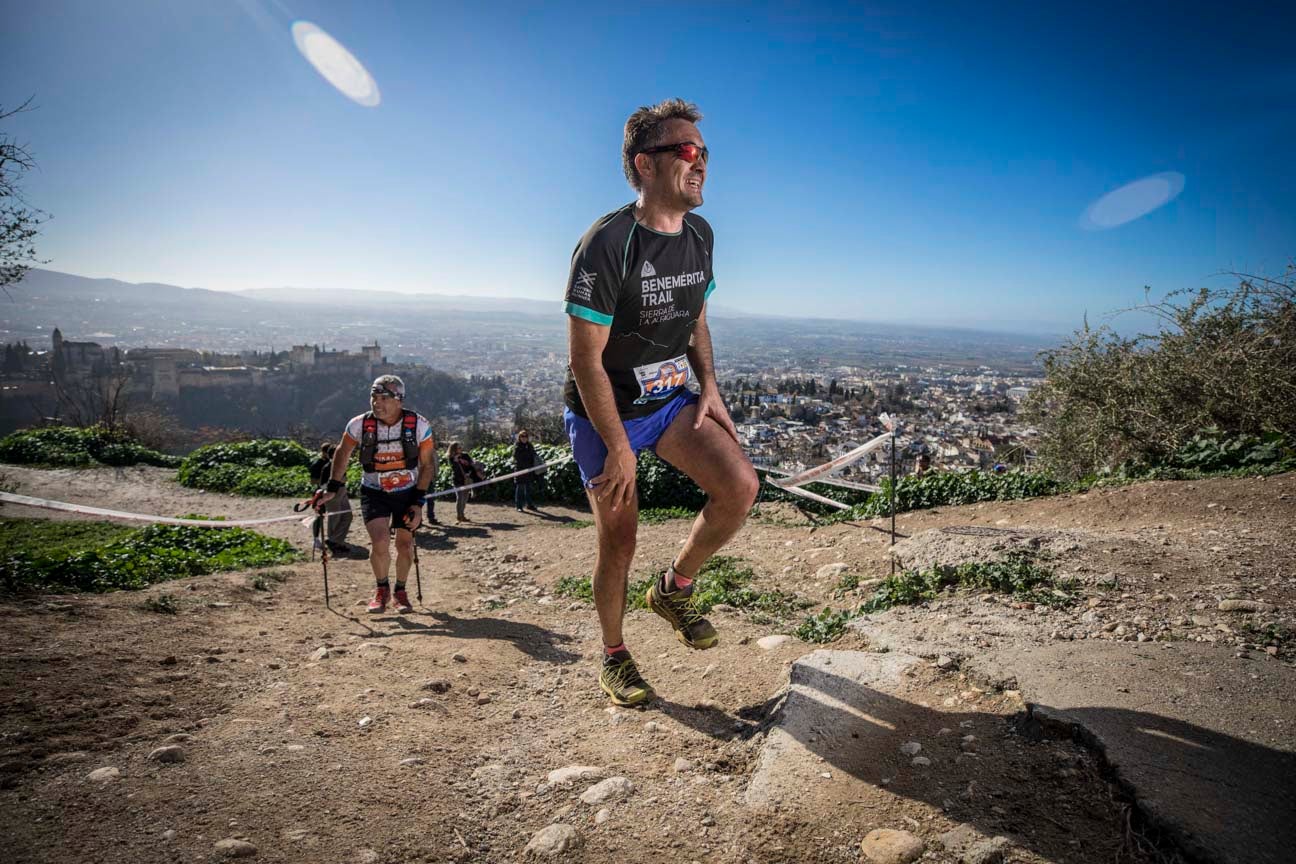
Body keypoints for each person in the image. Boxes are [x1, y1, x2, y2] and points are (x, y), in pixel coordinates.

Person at [562, 98, 759, 706]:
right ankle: (614, 655)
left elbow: (696, 316)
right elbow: (585, 359)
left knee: (740, 488)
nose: (701, 164)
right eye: (688, 151)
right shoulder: (607, 243)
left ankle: (673, 588)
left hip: (671, 403)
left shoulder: (700, 234)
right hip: (607, 413)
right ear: (646, 165)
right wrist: (618, 448)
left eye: (705, 152)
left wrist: (713, 390)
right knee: (619, 540)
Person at [315, 375, 436, 614]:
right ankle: (382, 589)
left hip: (408, 492)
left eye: (383, 398)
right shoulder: (359, 424)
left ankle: (400, 591)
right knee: (379, 541)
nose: (376, 403)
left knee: (404, 544)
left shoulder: (419, 425)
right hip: (374, 490)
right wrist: (332, 487)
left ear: (399, 400)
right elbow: (343, 452)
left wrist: (419, 502)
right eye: (373, 397)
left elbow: (427, 465)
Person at [309, 442, 353, 555]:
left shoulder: (341, 465)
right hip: (333, 494)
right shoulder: (328, 467)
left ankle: (337, 540)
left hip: (342, 491)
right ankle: (334, 542)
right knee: (335, 518)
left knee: (347, 516)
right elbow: (322, 484)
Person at [447, 441, 482, 523]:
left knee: (465, 498)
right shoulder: (451, 458)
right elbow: (454, 470)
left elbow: (471, 465)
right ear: (454, 449)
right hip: (458, 480)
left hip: (467, 480)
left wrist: (470, 472)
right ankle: (459, 516)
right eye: (458, 448)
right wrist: (455, 462)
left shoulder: (465, 455)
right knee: (460, 498)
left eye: (460, 447)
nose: (460, 449)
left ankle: (462, 515)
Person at [513, 428, 539, 511]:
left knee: (529, 488)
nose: (524, 438)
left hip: (530, 470)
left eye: (525, 436)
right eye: (522, 436)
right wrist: (525, 466)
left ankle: (529, 505)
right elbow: (517, 458)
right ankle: (519, 506)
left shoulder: (530, 446)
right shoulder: (517, 446)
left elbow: (534, 455)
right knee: (520, 488)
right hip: (520, 470)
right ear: (519, 438)